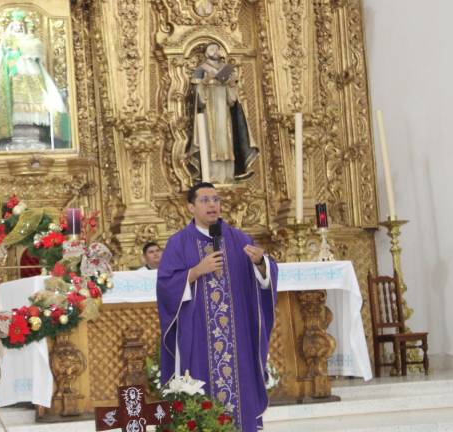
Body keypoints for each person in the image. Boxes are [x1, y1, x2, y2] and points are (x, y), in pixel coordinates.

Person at [156, 182, 277, 432]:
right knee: (202, 397)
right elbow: (166, 286)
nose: (212, 204)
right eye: (204, 200)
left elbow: (265, 276)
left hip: (237, 337)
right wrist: (195, 271)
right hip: (198, 337)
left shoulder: (239, 239)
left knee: (240, 396)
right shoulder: (179, 243)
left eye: (216, 199)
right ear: (190, 207)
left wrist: (261, 263)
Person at [0, 9, 71, 153]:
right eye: (15, 25)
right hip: (13, 72)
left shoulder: (30, 39)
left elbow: (37, 52)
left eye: (20, 25)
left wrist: (29, 45)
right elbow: (5, 50)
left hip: (31, 73)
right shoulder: (8, 39)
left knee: (41, 99)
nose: (18, 28)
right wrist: (15, 54)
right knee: (11, 99)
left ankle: (34, 130)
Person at [191, 43, 258, 184]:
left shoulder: (226, 69)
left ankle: (228, 174)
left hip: (224, 112)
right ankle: (212, 174)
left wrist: (232, 85)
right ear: (206, 53)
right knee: (211, 141)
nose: (215, 52)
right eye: (211, 49)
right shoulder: (201, 69)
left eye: (216, 49)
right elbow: (198, 97)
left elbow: (232, 99)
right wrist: (204, 83)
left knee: (226, 141)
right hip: (209, 112)